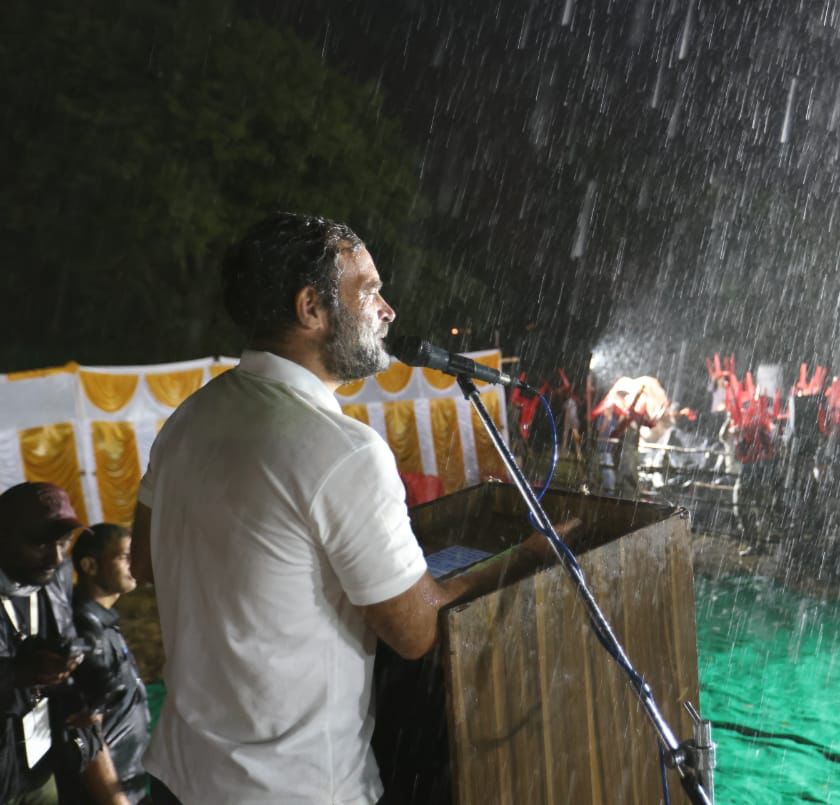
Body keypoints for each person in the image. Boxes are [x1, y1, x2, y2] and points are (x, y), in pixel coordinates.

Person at [131, 213, 560, 805]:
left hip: (180, 779)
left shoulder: (189, 419)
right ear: (312, 308)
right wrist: (527, 558)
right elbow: (416, 633)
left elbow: (146, 562)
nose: (388, 312)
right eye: (370, 291)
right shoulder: (343, 452)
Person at [0, 482, 128, 805]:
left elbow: (66, 641)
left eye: (63, 542)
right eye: (41, 544)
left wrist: (82, 684)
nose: (55, 557)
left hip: (36, 767)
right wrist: (16, 674)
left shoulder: (54, 575)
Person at [62, 525, 149, 804]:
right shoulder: (84, 628)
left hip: (129, 785)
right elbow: (87, 729)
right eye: (124, 557)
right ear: (90, 565)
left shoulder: (102, 620)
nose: (133, 565)